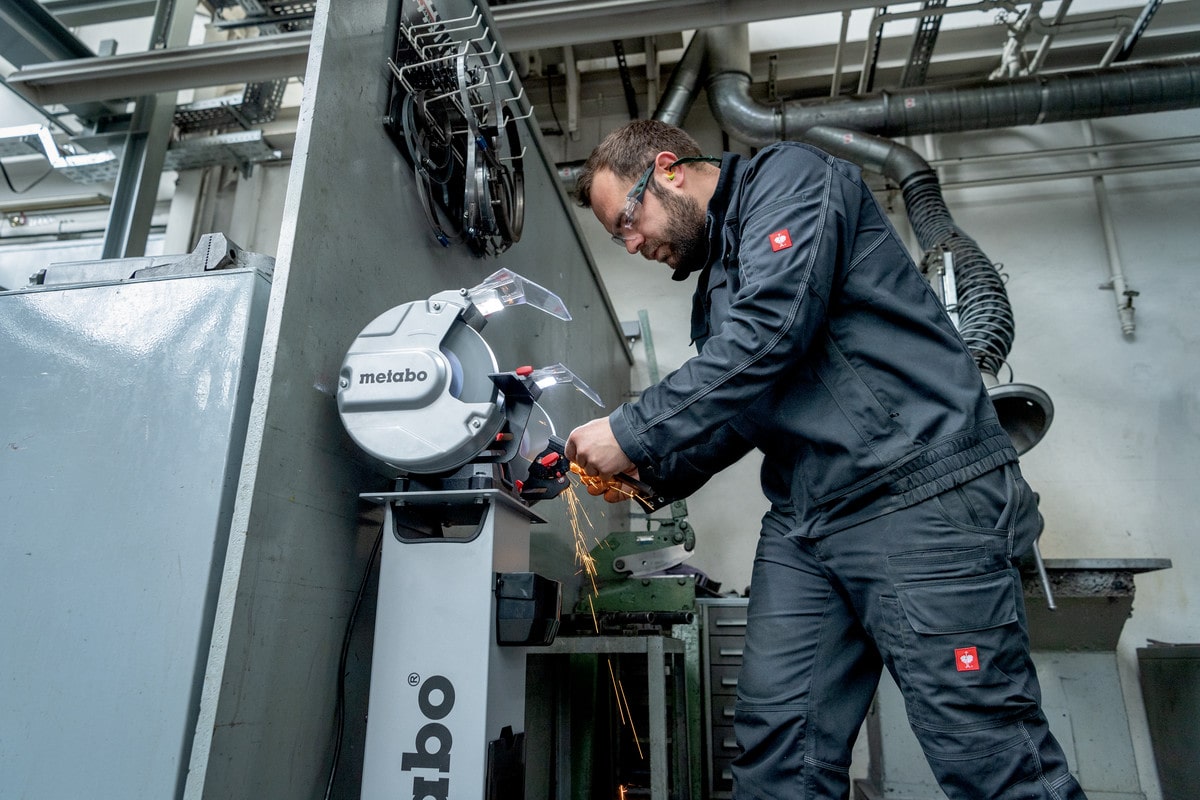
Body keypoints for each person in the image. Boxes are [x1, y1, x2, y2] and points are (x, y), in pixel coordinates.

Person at [564, 119, 1087, 800]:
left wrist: (631, 428)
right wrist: (648, 471)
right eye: (619, 238)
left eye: (626, 223)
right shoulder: (717, 279)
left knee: (986, 752)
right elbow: (748, 403)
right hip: (806, 521)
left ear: (669, 169)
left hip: (915, 492)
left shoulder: (791, 181)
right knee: (779, 749)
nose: (631, 245)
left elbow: (773, 330)